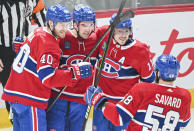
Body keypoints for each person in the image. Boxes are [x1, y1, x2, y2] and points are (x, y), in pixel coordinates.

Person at [1, 4, 93, 131]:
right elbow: (47, 77)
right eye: (60, 24)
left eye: (66, 24)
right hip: (30, 98)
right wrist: (73, 73)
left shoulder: (37, 32)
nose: (64, 29)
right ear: (50, 22)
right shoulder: (49, 44)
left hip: (15, 96)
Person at [85, 54, 191, 131]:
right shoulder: (185, 96)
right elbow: (184, 123)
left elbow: (119, 118)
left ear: (158, 73)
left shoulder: (142, 89)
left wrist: (100, 101)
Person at [91, 13, 155, 131]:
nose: (123, 35)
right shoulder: (103, 34)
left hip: (124, 106)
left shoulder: (140, 51)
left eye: (126, 31)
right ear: (112, 30)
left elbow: (148, 82)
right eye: (119, 31)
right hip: (101, 101)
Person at [47, 4, 99, 131]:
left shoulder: (96, 40)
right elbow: (43, 43)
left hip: (80, 101)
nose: (88, 29)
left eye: (91, 24)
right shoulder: (62, 37)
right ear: (75, 24)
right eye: (84, 25)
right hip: (58, 97)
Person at [0, 0, 46, 120]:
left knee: (29, 89)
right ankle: (16, 122)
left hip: (27, 49)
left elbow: (42, 18)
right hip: (4, 52)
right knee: (11, 93)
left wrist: (48, 40)